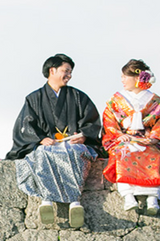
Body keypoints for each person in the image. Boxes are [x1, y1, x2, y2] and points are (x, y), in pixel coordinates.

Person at [6, 53, 102, 228]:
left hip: (73, 143)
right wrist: (40, 139)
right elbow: (25, 125)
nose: (69, 75)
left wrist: (83, 136)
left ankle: (75, 202)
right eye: (66, 71)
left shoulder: (78, 97)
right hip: (47, 144)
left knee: (76, 152)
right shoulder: (34, 99)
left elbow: (92, 122)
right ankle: (47, 201)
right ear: (52, 70)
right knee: (43, 153)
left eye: (70, 72)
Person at [102, 59, 160, 214]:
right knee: (123, 153)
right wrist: (118, 135)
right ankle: (128, 196)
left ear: (137, 78)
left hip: (147, 139)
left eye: (125, 76)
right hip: (124, 139)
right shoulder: (116, 100)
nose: (122, 80)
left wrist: (154, 137)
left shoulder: (154, 100)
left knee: (153, 155)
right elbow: (109, 120)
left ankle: (152, 198)